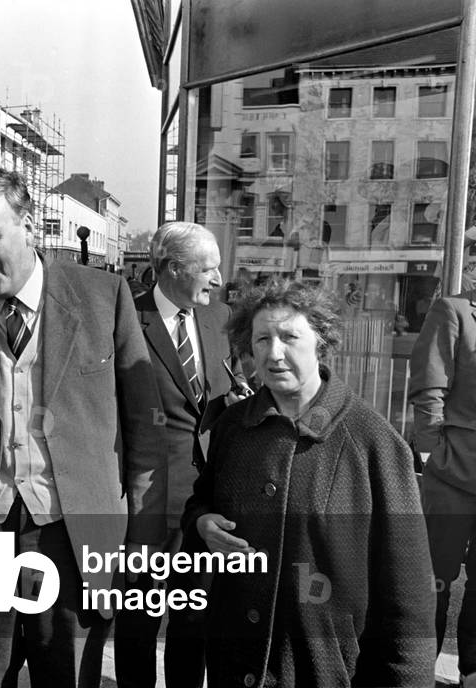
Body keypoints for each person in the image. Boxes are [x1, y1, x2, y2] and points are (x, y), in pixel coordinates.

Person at [0, 169, 168, 687]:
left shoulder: (104, 297)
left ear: (28, 225)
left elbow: (146, 435)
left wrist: (141, 541)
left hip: (75, 542)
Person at [182, 279, 434, 686]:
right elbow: (200, 502)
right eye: (262, 339)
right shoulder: (232, 426)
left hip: (329, 671)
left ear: (321, 342)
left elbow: (409, 593)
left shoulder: (374, 442)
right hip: (235, 663)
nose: (274, 353)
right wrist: (201, 523)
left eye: (289, 337)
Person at [115, 221, 249, 688]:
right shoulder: (126, 318)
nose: (217, 280)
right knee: (138, 625)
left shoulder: (220, 318)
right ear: (172, 268)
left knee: (194, 624)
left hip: (206, 503)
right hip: (147, 504)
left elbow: (226, 384)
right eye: (207, 270)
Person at [410, 283, 476, 685]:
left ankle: (471, 670)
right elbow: (429, 384)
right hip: (453, 471)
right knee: (433, 577)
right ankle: (417, 668)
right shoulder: (454, 312)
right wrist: (431, 451)